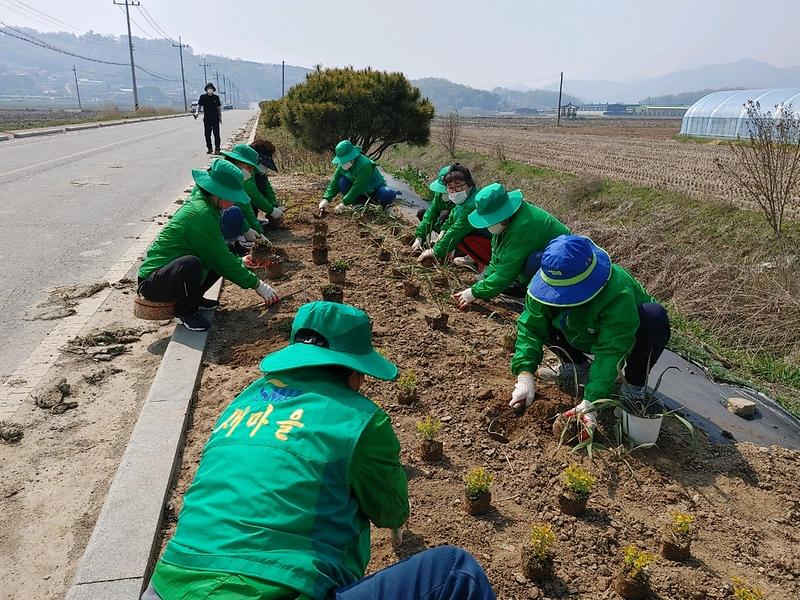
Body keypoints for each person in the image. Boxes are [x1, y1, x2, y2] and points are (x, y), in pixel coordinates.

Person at [141, 301, 496, 599]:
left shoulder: (243, 401)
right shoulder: (360, 419)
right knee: (454, 573)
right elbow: (390, 511)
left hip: (167, 585)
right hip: (276, 589)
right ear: (354, 372)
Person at [508, 234, 671, 440]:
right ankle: (577, 367)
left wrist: (591, 402)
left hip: (627, 334)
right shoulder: (545, 281)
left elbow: (612, 348)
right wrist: (524, 374)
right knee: (543, 321)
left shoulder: (617, 290)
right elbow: (531, 327)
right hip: (575, 330)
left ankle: (633, 386)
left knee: (654, 317)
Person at [138, 159, 279, 331]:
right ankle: (185, 312)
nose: (234, 202)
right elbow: (219, 259)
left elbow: (216, 251)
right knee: (190, 264)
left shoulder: (209, 207)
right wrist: (258, 285)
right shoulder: (200, 214)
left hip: (170, 276)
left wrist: (240, 261)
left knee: (220, 254)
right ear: (218, 193)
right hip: (154, 283)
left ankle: (194, 298)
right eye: (232, 197)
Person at [452, 183, 570, 310]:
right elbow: (497, 254)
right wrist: (484, 282)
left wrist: (474, 293)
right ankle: (523, 285)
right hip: (541, 253)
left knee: (534, 261)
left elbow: (506, 271)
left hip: (564, 265)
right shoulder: (507, 222)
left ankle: (540, 299)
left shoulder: (523, 227)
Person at [417, 164, 491, 270]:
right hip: (475, 236)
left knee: (459, 238)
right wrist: (441, 232)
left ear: (469, 185)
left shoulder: (473, 203)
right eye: (450, 187)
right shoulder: (461, 200)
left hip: (486, 241)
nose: (455, 191)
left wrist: (435, 251)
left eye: (458, 185)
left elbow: (457, 230)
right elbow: (450, 219)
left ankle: (481, 262)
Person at [318, 140, 397, 214]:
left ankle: (382, 206)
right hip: (359, 194)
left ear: (353, 156)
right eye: (342, 161)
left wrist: (344, 203)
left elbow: (359, 186)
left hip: (374, 191)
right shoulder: (341, 166)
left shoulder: (365, 165)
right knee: (341, 181)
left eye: (346, 160)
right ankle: (357, 203)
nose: (343, 163)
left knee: (388, 193)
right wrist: (326, 199)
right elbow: (334, 183)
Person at [220, 143, 273, 239]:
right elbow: (242, 205)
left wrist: (258, 231)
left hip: (217, 220)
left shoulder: (237, 179)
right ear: (238, 162)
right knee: (234, 212)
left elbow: (246, 205)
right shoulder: (222, 176)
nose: (250, 171)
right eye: (249, 167)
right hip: (209, 226)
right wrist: (246, 229)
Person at [411, 165, 451, 253]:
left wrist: (437, 249)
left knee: (445, 215)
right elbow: (431, 214)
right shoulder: (439, 195)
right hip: (443, 225)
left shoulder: (463, 201)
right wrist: (419, 237)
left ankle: (448, 246)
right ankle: (437, 241)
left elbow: (457, 226)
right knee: (423, 213)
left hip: (455, 231)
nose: (443, 193)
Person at [250, 139, 284, 227]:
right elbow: (253, 194)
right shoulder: (245, 171)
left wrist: (274, 205)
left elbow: (266, 187)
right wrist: (271, 210)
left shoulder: (259, 173)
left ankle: (253, 220)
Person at [193, 83, 222, 154]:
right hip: (207, 119)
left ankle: (217, 148)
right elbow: (199, 106)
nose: (210, 89)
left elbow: (218, 108)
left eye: (211, 88)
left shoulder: (216, 97)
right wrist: (197, 113)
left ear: (213, 89)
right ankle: (209, 148)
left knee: (216, 134)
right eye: (209, 88)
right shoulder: (203, 97)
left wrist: (220, 117)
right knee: (207, 134)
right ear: (206, 89)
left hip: (215, 118)